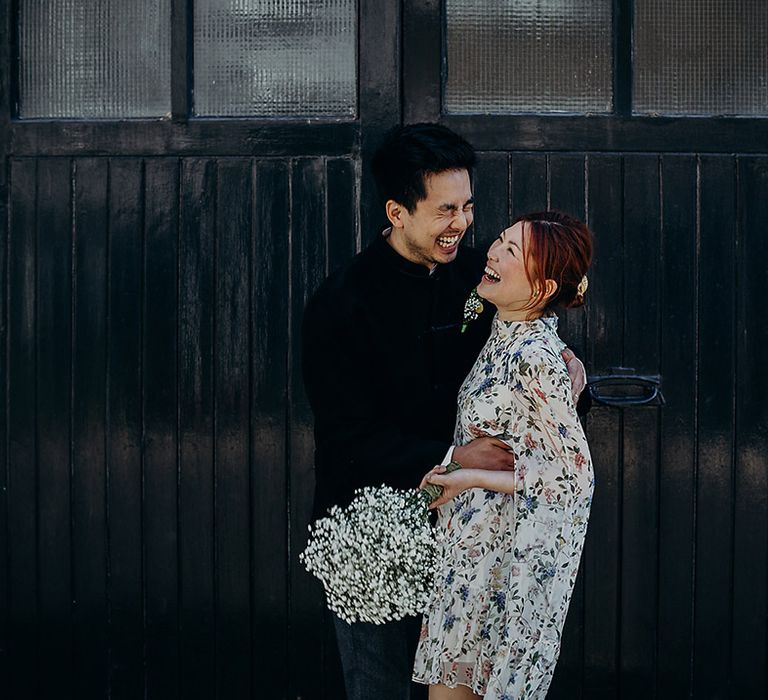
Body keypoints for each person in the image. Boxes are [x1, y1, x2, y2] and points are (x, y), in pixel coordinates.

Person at [302, 124, 589, 700]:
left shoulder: (478, 276)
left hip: (471, 534)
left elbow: (528, 332)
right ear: (397, 211)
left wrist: (568, 364)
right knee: (378, 686)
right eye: (444, 210)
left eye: (467, 206)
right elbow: (344, 434)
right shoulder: (341, 303)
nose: (461, 223)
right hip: (371, 530)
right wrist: (452, 456)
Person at [412, 211, 594, 700]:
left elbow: (572, 479)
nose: (492, 251)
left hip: (498, 572)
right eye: (500, 239)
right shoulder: (499, 324)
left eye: (511, 251)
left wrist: (469, 477)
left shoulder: (535, 355)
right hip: (469, 559)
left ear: (540, 288)